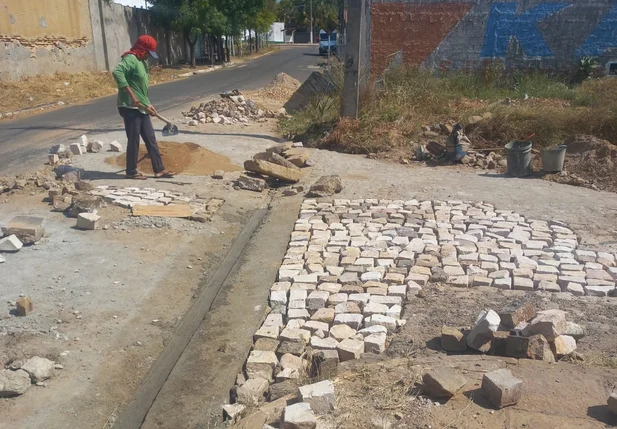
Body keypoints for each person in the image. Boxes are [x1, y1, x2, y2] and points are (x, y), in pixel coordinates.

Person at [112, 35, 175, 179]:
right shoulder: (130, 59)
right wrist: (132, 97)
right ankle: (131, 171)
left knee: (150, 137)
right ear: (141, 49)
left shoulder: (142, 62)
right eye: (147, 53)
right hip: (129, 106)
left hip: (141, 106)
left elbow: (140, 88)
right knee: (134, 139)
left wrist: (148, 104)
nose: (148, 56)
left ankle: (159, 169)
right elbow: (117, 72)